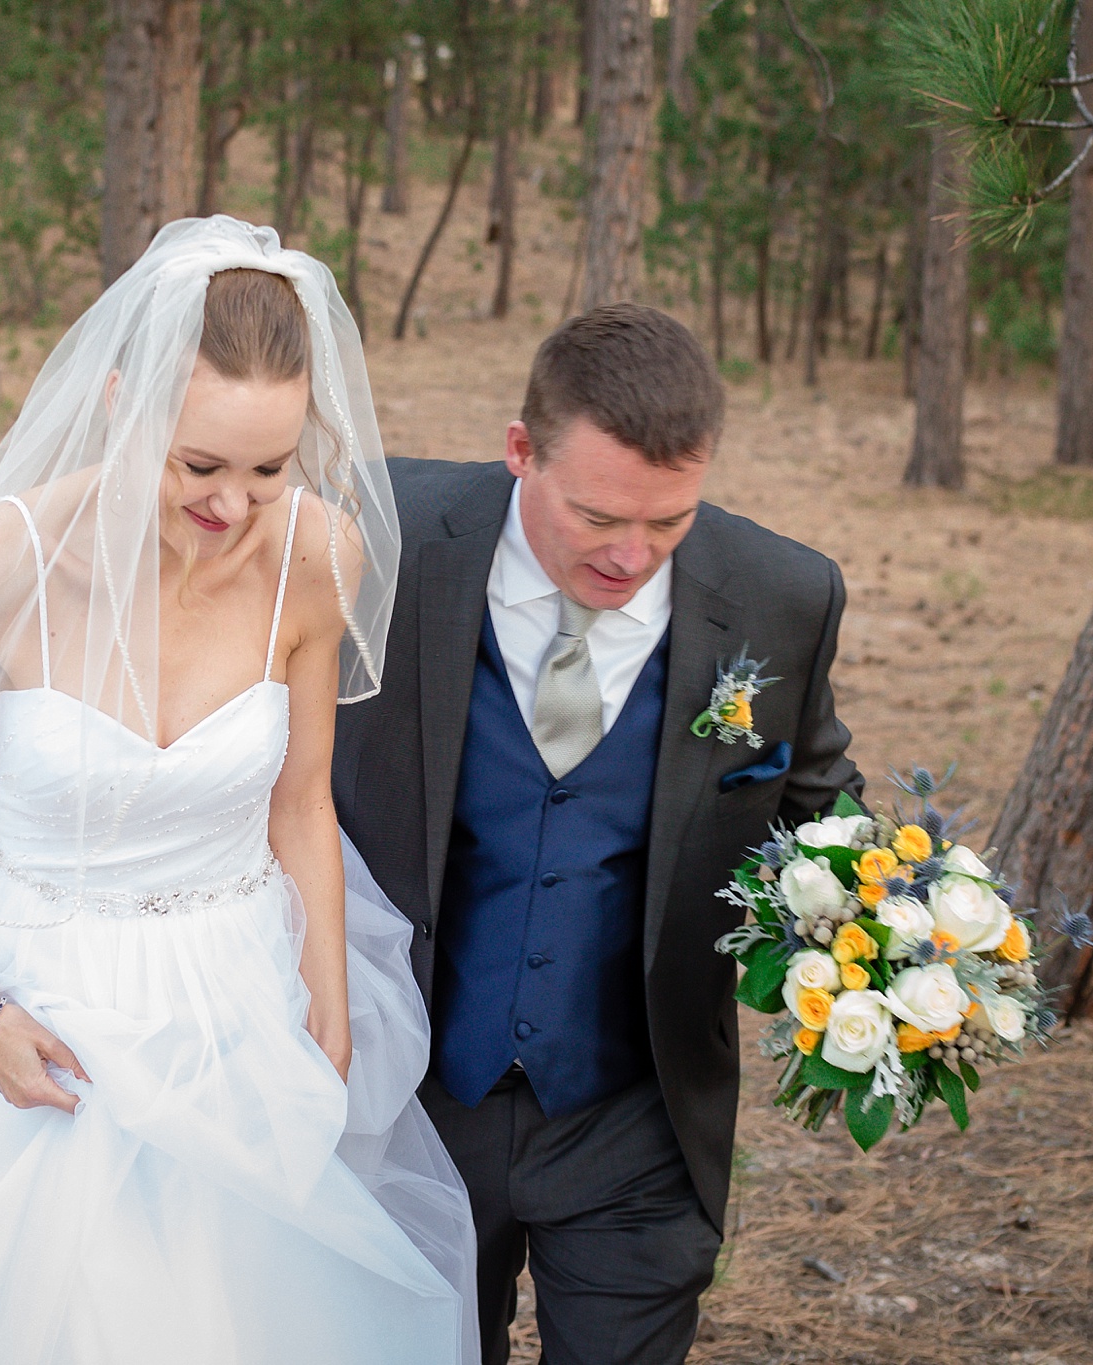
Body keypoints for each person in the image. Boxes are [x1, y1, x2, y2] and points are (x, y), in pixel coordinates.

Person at [0, 217, 478, 1365]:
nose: (232, 506)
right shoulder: (0, 564)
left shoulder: (316, 556)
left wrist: (326, 1007)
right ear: (122, 399)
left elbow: (299, 805)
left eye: (269, 469)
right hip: (58, 1013)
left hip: (238, 999)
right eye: (198, 464)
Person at [333, 304, 865, 1365]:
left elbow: (816, 813)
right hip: (406, 1103)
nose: (631, 557)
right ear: (519, 450)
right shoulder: (377, 533)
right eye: (595, 517)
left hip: (635, 1117)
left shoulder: (780, 594)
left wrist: (906, 941)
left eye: (668, 522)